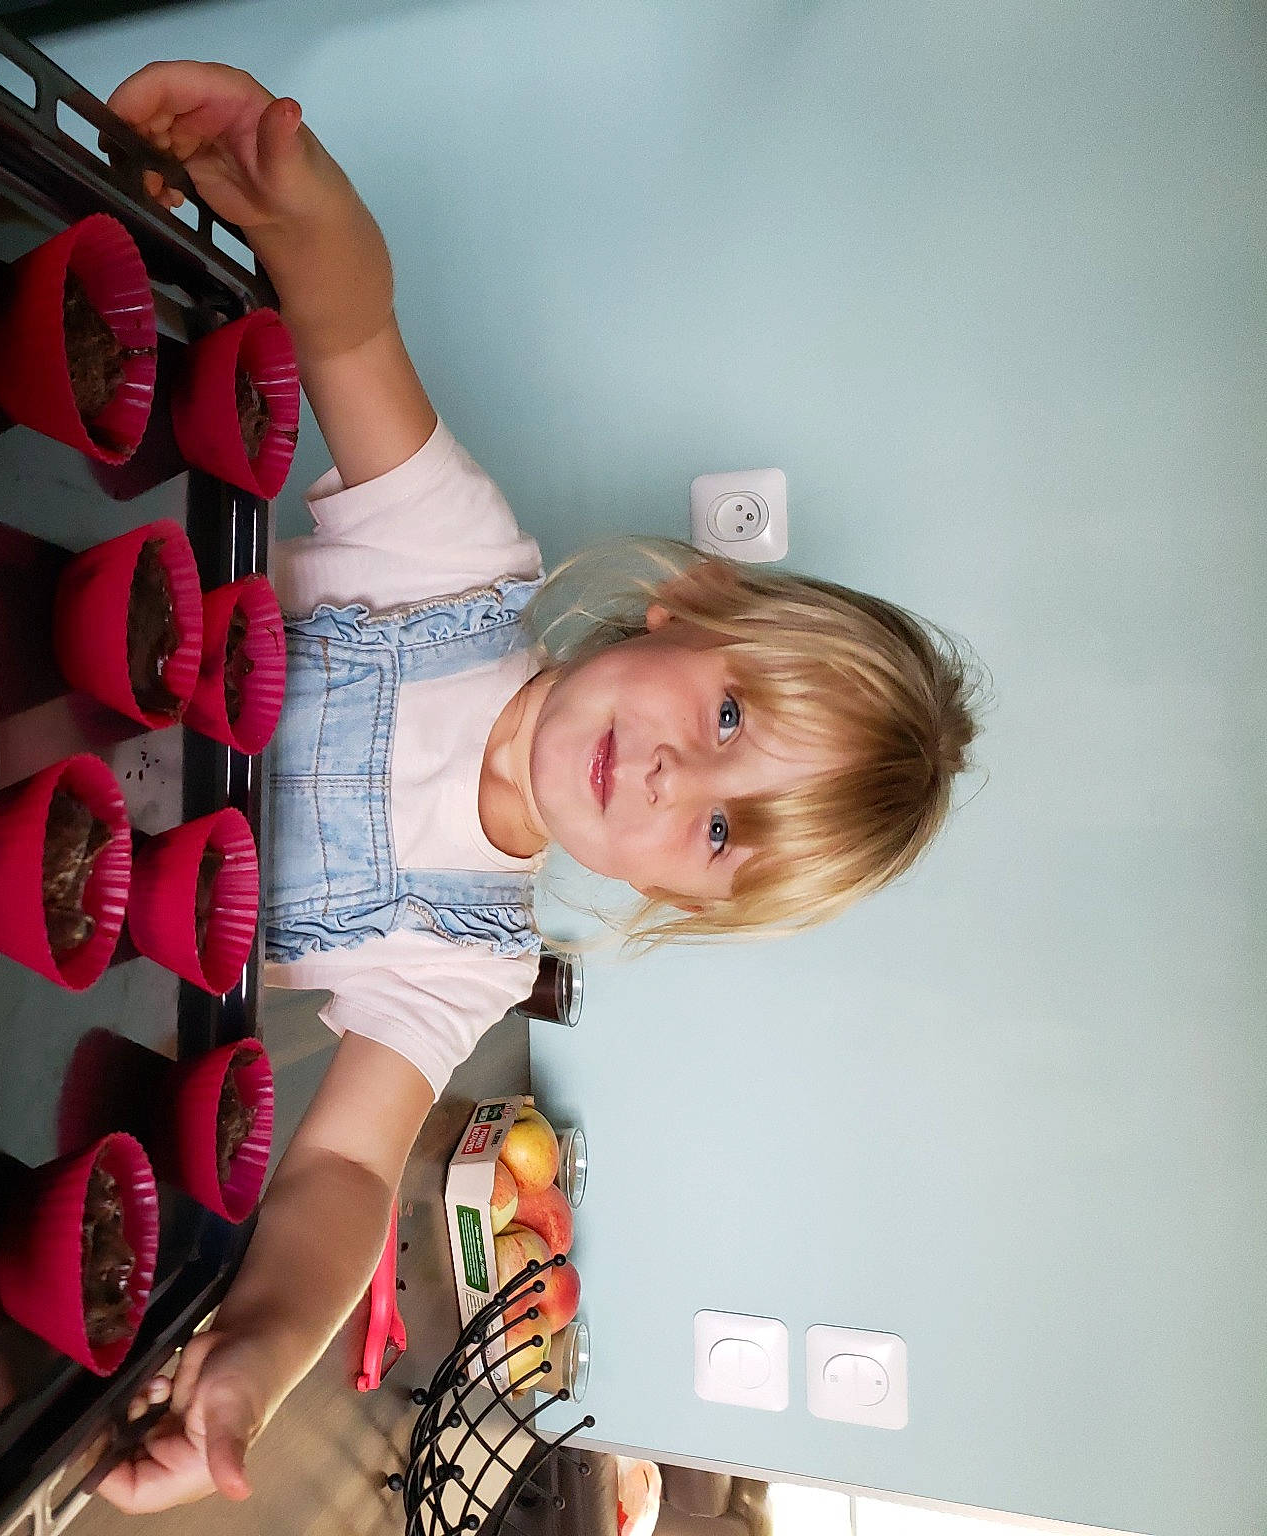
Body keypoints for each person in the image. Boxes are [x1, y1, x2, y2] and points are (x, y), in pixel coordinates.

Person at [95, 61, 981, 1512]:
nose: (674, 773)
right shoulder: (453, 562)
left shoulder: (461, 960)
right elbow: (350, 318)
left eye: (714, 828)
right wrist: (288, 186)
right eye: (731, 711)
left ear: (670, 891)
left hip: (41, 945)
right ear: (684, 605)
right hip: (1, 660)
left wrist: (252, 1358)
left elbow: (338, 1184)